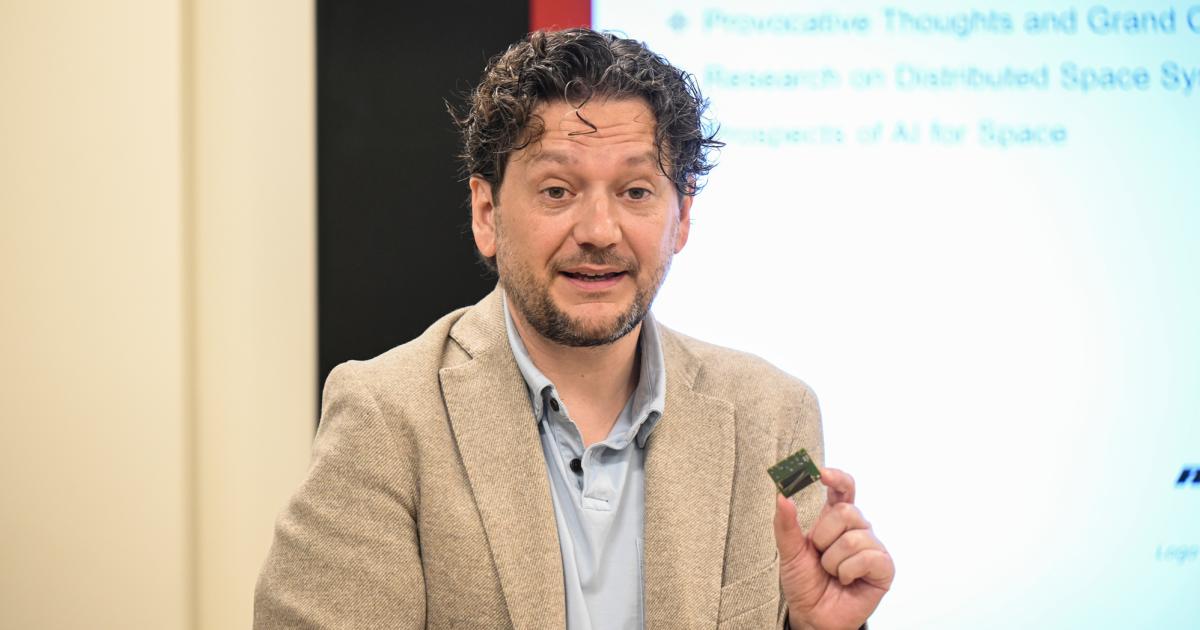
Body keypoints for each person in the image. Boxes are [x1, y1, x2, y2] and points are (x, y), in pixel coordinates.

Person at [255, 28, 893, 630]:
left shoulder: (775, 416)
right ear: (487, 214)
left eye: (637, 191)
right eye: (557, 190)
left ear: (682, 220)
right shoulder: (386, 417)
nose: (598, 230)